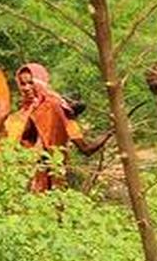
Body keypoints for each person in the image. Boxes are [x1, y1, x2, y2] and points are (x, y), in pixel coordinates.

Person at [7, 63, 109, 191]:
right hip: (18, 173)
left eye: (31, 83)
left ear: (40, 82)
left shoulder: (54, 107)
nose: (26, 88)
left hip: (44, 174)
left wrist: (111, 132)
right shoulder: (24, 110)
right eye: (22, 84)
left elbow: (85, 148)